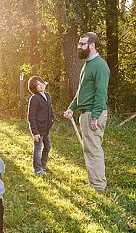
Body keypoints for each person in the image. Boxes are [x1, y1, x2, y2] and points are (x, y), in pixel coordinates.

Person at [63, 32, 110, 192]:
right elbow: (82, 92)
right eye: (79, 43)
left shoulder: (100, 65)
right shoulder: (88, 64)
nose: (79, 47)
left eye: (82, 44)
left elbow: (101, 93)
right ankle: (93, 182)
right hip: (86, 113)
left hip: (93, 114)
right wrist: (72, 107)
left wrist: (95, 116)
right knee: (89, 149)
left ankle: (98, 185)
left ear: (92, 45)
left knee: (94, 150)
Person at [27, 75, 55, 175]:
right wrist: (35, 132)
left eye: (41, 83)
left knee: (48, 146)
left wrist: (52, 118)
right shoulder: (34, 99)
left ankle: (43, 163)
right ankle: (37, 169)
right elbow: (31, 116)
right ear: (34, 88)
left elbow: (50, 109)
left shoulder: (47, 95)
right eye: (37, 85)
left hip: (46, 128)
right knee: (38, 148)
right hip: (38, 129)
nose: (41, 85)